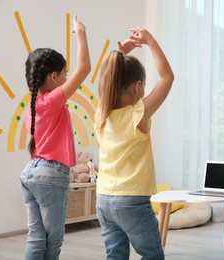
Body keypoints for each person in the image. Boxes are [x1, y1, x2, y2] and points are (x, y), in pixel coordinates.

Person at [94, 27, 174, 260]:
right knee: (152, 255)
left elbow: (109, 77)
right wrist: (150, 40)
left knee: (115, 255)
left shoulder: (101, 112)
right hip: (131, 201)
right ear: (138, 86)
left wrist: (120, 54)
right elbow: (167, 77)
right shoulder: (138, 113)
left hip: (103, 199)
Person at [20, 16, 91, 260]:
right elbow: (85, 69)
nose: (66, 78)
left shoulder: (32, 106)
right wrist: (80, 32)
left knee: (36, 237)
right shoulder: (51, 100)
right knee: (54, 239)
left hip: (30, 173)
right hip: (50, 174)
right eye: (64, 74)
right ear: (52, 77)